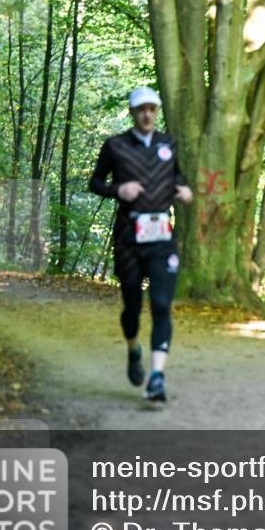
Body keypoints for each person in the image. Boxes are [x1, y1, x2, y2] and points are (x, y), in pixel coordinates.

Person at [89, 86, 193, 402]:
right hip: (129, 240)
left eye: (152, 108)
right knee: (132, 308)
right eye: (141, 109)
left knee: (161, 305)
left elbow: (178, 177)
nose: (147, 114)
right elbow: (95, 183)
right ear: (133, 113)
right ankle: (134, 349)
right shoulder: (116, 146)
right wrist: (117, 190)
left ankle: (157, 377)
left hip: (162, 237)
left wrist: (184, 189)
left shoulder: (168, 143)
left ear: (157, 111)